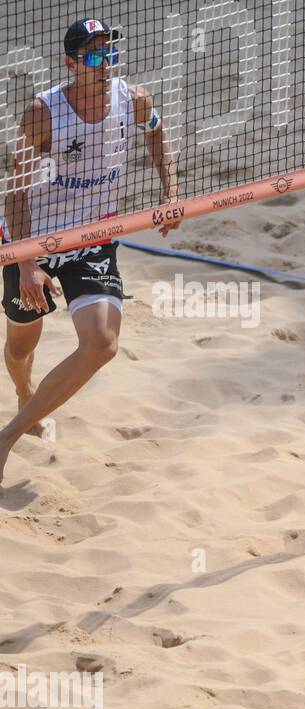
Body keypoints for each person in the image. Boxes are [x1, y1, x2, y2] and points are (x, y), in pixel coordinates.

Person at [0, 17, 178, 484]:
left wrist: (171, 192)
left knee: (101, 343)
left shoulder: (133, 98)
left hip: (92, 238)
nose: (106, 65)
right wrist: (27, 262)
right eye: (96, 56)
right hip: (33, 237)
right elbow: (15, 192)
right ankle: (24, 394)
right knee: (21, 347)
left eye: (111, 54)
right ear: (71, 63)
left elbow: (157, 134)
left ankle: (7, 437)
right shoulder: (43, 113)